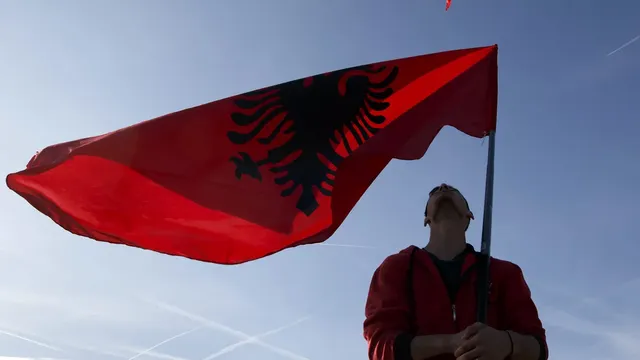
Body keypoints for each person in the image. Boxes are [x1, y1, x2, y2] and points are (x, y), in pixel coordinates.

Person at [363, 184, 547, 360]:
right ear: (426, 219)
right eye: (435, 191)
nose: (443, 187)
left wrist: (507, 343)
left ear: (469, 215)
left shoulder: (505, 273)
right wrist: (449, 342)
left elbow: (539, 349)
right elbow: (380, 347)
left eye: (453, 189)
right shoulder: (396, 267)